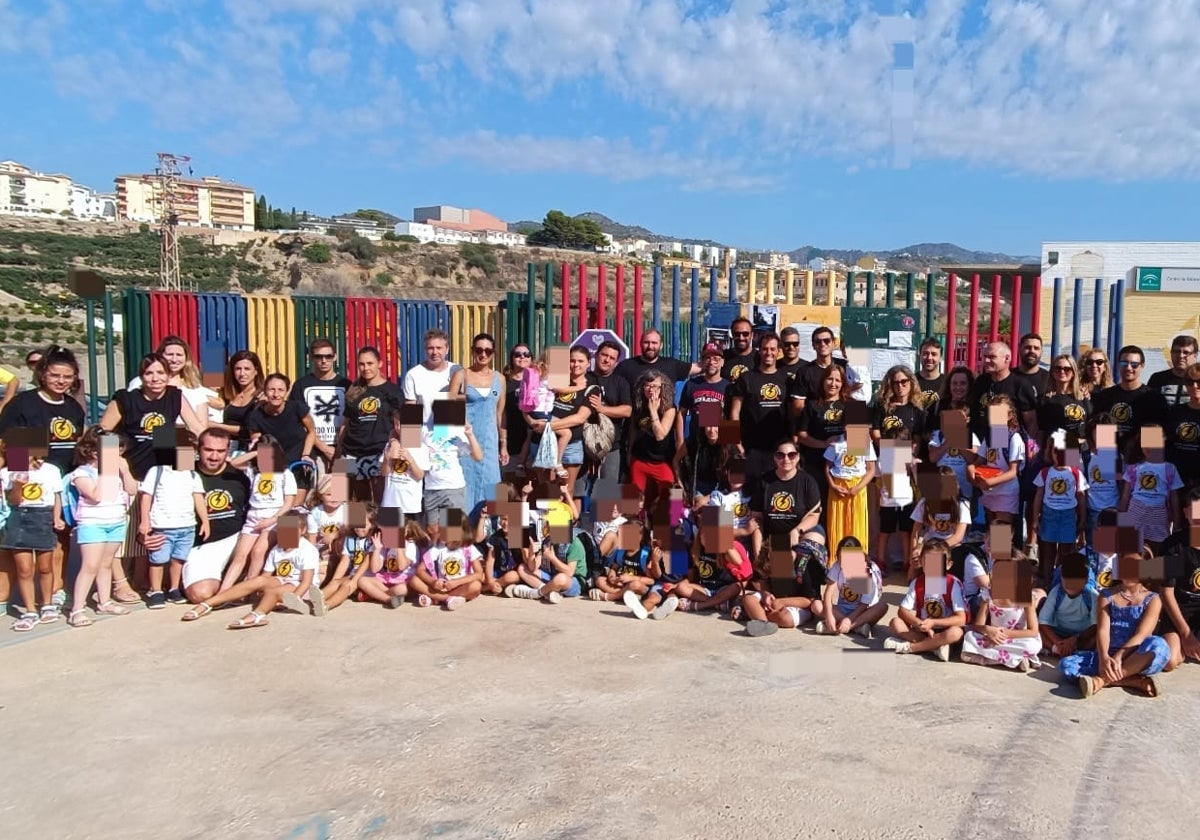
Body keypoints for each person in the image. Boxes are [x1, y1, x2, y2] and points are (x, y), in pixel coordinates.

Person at [0, 345, 87, 605]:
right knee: (17, 539)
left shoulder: (73, 407)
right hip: (29, 480)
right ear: (43, 374)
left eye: (67, 376)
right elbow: (11, 445)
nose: (61, 381)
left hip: (62, 481)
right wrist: (18, 481)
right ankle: (8, 594)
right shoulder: (24, 404)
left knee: (59, 537)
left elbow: (76, 443)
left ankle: (54, 590)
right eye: (55, 375)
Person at [1059, 552, 1172, 698]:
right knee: (1066, 665)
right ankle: (1134, 681)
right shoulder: (1106, 596)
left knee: (1159, 646)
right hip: (1108, 654)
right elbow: (1103, 630)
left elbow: (1142, 634)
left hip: (1136, 655)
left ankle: (1102, 681)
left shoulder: (1153, 599)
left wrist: (1119, 656)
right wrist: (1104, 658)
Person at [181, 516, 321, 629]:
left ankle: (258, 614)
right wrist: (259, 587)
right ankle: (208, 604)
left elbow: (307, 581)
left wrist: (294, 599)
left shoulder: (307, 550)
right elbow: (266, 575)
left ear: (302, 531)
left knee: (274, 592)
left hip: (300, 586)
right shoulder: (277, 549)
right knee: (258, 580)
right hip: (282, 580)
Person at [65, 426, 138, 626]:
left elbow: (132, 490)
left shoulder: (118, 470)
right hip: (93, 523)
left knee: (106, 564)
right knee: (90, 566)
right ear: (96, 453)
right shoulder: (82, 473)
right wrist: (108, 470)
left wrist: (125, 471)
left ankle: (104, 601)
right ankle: (77, 610)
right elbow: (96, 496)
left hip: (116, 521)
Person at [100, 353, 207, 480]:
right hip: (129, 468)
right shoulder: (126, 399)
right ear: (141, 377)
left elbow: (196, 429)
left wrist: (217, 451)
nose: (155, 378)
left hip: (162, 471)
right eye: (149, 373)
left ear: (168, 376)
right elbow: (104, 434)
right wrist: (110, 473)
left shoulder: (174, 397)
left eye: (161, 373)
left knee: (180, 436)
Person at [181, 429, 251, 605]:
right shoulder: (184, 473)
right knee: (200, 594)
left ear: (228, 451)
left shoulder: (240, 477)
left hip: (238, 540)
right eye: (208, 450)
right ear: (198, 449)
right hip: (203, 545)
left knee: (284, 526)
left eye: (220, 451)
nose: (214, 456)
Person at [218, 435, 298, 589]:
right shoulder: (253, 471)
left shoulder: (285, 474)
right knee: (240, 555)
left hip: (273, 518)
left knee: (257, 551)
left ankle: (247, 587)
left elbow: (289, 503)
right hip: (253, 517)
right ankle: (224, 591)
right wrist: (256, 452)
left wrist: (272, 519)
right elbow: (234, 462)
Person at [137, 444, 209, 608]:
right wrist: (144, 521)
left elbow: (198, 498)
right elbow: (146, 497)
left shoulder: (192, 475)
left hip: (187, 526)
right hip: (162, 526)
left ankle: (173, 588)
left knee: (179, 559)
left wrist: (205, 521)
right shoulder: (157, 471)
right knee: (158, 559)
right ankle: (155, 590)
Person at [1, 451, 65, 631]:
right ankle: (30, 610)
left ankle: (47, 604)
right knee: (24, 569)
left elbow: (57, 496)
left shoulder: (51, 470)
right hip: (19, 518)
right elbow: (13, 501)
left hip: (43, 516)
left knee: (45, 567)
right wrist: (17, 485)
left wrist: (57, 517)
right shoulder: (7, 472)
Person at [337, 346, 404, 503]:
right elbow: (345, 423)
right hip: (351, 452)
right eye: (361, 364)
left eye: (370, 363)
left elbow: (401, 425)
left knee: (383, 501)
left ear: (380, 363)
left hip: (379, 453)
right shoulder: (353, 390)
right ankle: (359, 528)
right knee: (354, 502)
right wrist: (338, 453)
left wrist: (399, 447)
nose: (365, 368)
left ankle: (382, 529)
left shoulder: (393, 391)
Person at [883, 538, 967, 660]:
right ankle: (934, 647)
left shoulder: (952, 584)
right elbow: (902, 611)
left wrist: (934, 622)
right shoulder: (917, 583)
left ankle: (910, 648)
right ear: (922, 563)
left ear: (948, 565)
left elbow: (961, 619)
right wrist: (918, 623)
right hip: (922, 629)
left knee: (956, 633)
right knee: (895, 622)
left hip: (945, 629)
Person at [729, 333, 791, 482]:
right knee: (747, 494)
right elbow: (734, 412)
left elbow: (792, 415)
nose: (768, 353)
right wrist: (736, 444)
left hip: (778, 451)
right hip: (750, 449)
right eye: (764, 349)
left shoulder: (787, 379)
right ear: (759, 350)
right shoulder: (746, 378)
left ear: (778, 351)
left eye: (772, 349)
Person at [457, 332, 505, 520]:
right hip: (466, 443)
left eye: (488, 351)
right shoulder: (462, 375)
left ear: (493, 353)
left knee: (493, 487)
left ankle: (492, 537)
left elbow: (500, 414)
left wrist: (504, 444)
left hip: (490, 443)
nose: (483, 354)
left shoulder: (499, 378)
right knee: (464, 487)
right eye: (479, 350)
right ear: (472, 351)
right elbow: (449, 409)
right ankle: (461, 538)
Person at [1030, 431, 1088, 584]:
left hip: (1068, 517)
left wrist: (1082, 519)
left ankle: (1060, 582)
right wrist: (1035, 520)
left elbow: (1081, 497)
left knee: (1065, 552)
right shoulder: (1045, 472)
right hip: (1049, 516)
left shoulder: (1076, 473)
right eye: (1057, 451)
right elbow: (1038, 497)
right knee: (1048, 551)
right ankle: (1047, 581)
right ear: (1051, 452)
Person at [1090, 345, 1168, 455]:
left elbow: (1156, 431)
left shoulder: (1153, 398)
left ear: (1142, 366)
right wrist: (1104, 455)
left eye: (1134, 364)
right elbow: (1097, 428)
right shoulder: (1105, 396)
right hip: (1109, 458)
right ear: (1118, 365)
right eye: (1124, 363)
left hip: (1140, 460)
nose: (1129, 368)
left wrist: (1148, 459)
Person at [1118, 428, 1183, 554]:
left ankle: (1152, 573)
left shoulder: (1170, 468)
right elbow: (1125, 496)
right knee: (1130, 551)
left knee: (1157, 551)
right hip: (1135, 514)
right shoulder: (1134, 467)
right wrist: (1120, 519)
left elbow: (1174, 498)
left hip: (1158, 518)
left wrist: (1177, 523)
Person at [289, 339, 352, 468]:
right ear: (311, 357)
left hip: (342, 451)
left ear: (335, 357)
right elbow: (298, 422)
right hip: (312, 450)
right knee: (317, 487)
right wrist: (324, 448)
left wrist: (338, 449)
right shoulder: (301, 385)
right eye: (319, 356)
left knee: (341, 487)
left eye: (328, 356)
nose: (324, 361)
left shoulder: (346, 385)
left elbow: (351, 420)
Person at [127, 335, 220, 421]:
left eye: (179, 355)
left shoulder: (195, 385)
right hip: (152, 434)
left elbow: (202, 424)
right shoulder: (140, 382)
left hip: (187, 436)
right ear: (160, 356)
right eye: (170, 354)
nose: (174, 360)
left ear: (186, 358)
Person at [960, 576, 1042, 671]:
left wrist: (1002, 633)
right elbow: (978, 625)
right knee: (969, 636)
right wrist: (987, 630)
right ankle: (1016, 659)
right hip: (992, 638)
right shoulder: (988, 597)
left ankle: (986, 659)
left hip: (1017, 638)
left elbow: (1033, 632)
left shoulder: (1027, 598)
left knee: (1031, 645)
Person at [796, 364, 850, 506]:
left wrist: (842, 442)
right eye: (829, 379)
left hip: (844, 468)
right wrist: (824, 444)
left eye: (838, 380)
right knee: (819, 505)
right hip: (816, 464)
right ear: (822, 381)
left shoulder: (853, 405)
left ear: (843, 383)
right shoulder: (812, 405)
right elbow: (801, 435)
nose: (833, 384)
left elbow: (860, 444)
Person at [812, 536, 887, 637]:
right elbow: (828, 593)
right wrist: (829, 616)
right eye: (840, 559)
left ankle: (845, 627)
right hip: (842, 609)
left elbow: (863, 605)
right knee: (816, 605)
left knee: (882, 607)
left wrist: (848, 620)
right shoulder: (837, 566)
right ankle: (857, 627)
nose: (843, 564)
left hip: (863, 612)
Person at [243, 373, 318, 471]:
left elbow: (311, 431)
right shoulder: (255, 416)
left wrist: (306, 455)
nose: (276, 394)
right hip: (274, 465)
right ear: (265, 391)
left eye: (280, 390)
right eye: (272, 390)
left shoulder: (297, 408)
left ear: (286, 392)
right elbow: (258, 444)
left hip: (300, 462)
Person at [583, 340, 632, 486]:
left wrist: (601, 409)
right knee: (575, 491)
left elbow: (627, 411)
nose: (607, 360)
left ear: (616, 363)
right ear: (596, 356)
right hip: (581, 444)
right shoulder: (583, 378)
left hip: (611, 446)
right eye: (604, 355)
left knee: (607, 494)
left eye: (612, 358)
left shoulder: (620, 382)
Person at [967, 342, 1037, 440]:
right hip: (979, 442)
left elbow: (1031, 422)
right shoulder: (981, 381)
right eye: (985, 356)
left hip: (1005, 444)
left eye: (992, 357)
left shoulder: (1020, 384)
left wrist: (1030, 447)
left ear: (1007, 358)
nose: (986, 360)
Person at [414, 515, 484, 610]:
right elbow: (420, 570)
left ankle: (434, 598)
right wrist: (433, 582)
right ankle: (446, 598)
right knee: (414, 580)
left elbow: (479, 574)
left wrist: (456, 582)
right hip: (440, 587)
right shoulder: (438, 548)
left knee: (476, 586)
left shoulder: (468, 548)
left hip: (460, 587)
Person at [1037, 551, 1099, 659]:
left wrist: (1075, 639)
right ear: (1061, 578)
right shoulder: (1056, 593)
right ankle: (1057, 649)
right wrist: (1058, 643)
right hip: (1056, 633)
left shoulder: (1092, 596)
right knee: (1035, 630)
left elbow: (1095, 625)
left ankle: (1071, 651)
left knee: (1100, 636)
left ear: (1086, 580)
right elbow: (1043, 622)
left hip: (1082, 636)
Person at [675, 343, 728, 466]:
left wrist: (728, 451)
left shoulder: (728, 387)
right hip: (696, 444)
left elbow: (732, 418)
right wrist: (680, 442)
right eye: (707, 358)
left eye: (716, 359)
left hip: (719, 448)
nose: (711, 362)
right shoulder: (692, 384)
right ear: (702, 361)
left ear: (722, 362)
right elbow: (680, 414)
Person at [626, 370, 678, 495]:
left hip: (662, 461)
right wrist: (629, 451)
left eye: (655, 386)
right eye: (647, 386)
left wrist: (653, 411)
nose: (650, 390)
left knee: (673, 500)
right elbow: (633, 429)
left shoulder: (669, 408)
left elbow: (660, 436)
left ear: (662, 388)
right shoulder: (638, 405)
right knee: (632, 503)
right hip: (640, 459)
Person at [823, 434, 875, 554]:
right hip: (838, 487)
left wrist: (858, 488)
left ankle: (858, 560)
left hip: (857, 486)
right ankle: (836, 560)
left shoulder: (863, 441)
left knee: (856, 524)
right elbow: (827, 467)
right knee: (837, 525)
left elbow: (871, 469)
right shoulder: (836, 442)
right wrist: (833, 485)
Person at [789, 326, 858, 413]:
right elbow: (798, 408)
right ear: (813, 345)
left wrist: (857, 423)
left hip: (846, 418)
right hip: (817, 423)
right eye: (818, 341)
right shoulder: (805, 371)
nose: (822, 344)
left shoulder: (846, 366)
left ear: (833, 343)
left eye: (826, 341)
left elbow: (859, 393)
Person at [403, 329, 460, 429]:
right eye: (430, 348)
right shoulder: (413, 375)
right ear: (425, 350)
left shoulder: (457, 372)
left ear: (447, 349)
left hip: (452, 438)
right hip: (424, 438)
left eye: (439, 348)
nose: (435, 352)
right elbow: (410, 412)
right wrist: (411, 442)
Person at [379, 409, 429, 520]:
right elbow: (383, 473)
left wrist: (410, 460)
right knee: (391, 537)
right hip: (390, 503)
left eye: (400, 424)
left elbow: (420, 475)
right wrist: (387, 458)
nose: (397, 428)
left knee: (410, 536)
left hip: (410, 506)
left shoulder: (421, 448)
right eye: (395, 424)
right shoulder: (390, 446)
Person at [212, 351, 264, 456]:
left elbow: (249, 430)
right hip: (224, 448)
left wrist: (214, 426)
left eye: (247, 369)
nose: (242, 374)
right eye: (238, 369)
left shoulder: (262, 397)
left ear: (256, 371)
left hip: (250, 450)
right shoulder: (226, 393)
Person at [614, 328, 698, 392]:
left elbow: (701, 367)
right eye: (646, 342)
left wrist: (710, 355)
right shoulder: (626, 366)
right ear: (640, 343)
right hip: (635, 415)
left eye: (654, 343)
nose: (650, 346)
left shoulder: (672, 365)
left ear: (661, 345)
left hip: (666, 415)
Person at [1038, 355, 1089, 456]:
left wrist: (1103, 457)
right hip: (1058, 452)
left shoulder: (1083, 397)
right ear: (1052, 372)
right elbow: (1041, 431)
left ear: (1073, 372)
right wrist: (1040, 453)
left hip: (1083, 450)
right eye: (1057, 368)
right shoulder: (1046, 400)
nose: (1062, 371)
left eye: (1067, 369)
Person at [1165, 362, 1200, 492]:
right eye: (1190, 382)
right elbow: (1165, 441)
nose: (1195, 386)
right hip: (1176, 478)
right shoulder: (1175, 411)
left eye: (1199, 382)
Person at [501, 344, 533, 466]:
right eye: (517, 355)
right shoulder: (503, 381)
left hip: (533, 439)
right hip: (511, 439)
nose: (522, 357)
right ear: (511, 358)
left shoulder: (539, 380)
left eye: (526, 354)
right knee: (510, 481)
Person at [1147, 334, 1198, 407]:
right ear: (1171, 353)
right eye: (1177, 351)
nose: (1181, 356)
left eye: (1186, 352)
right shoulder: (1157, 379)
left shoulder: (1198, 380)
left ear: (1195, 355)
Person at [1011, 333, 1050, 399]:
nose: (1032, 351)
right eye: (1027, 347)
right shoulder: (1008, 376)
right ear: (1020, 349)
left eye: (1036, 348)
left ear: (1041, 352)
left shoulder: (1049, 379)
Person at [721, 317, 758, 386]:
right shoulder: (723, 356)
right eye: (737, 334)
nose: (741, 338)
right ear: (732, 334)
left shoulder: (759, 358)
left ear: (752, 335)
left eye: (745, 334)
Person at [914, 337, 945, 417]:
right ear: (919, 355)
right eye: (925, 353)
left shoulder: (947, 383)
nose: (929, 358)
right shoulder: (910, 382)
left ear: (940, 357)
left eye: (934, 354)